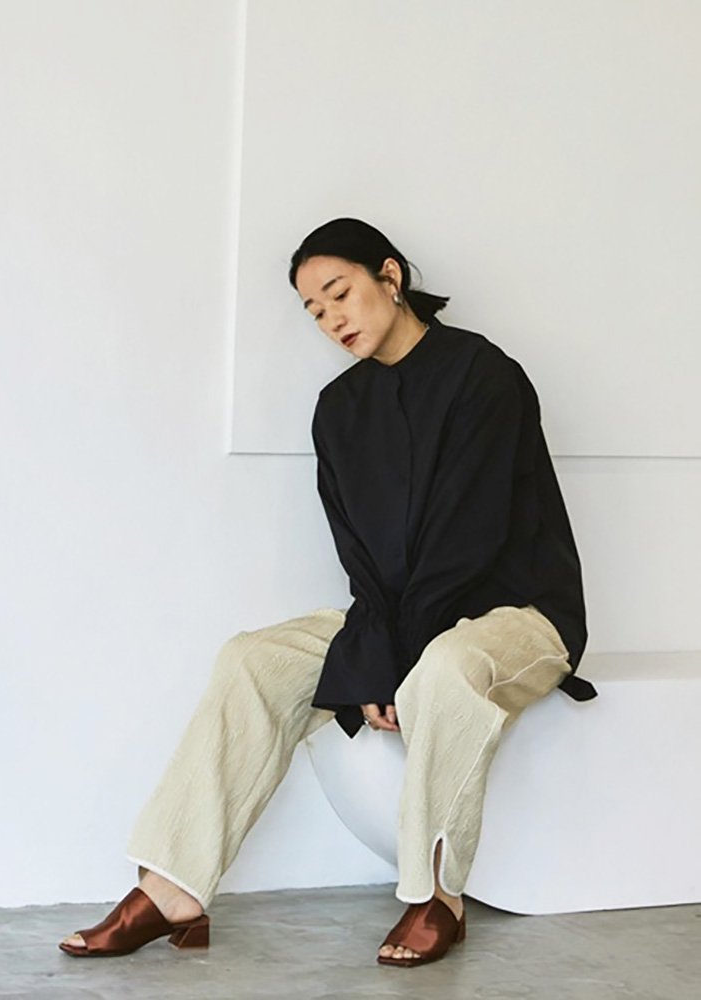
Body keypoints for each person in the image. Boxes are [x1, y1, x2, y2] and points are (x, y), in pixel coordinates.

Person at [59, 218, 595, 967]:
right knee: (254, 659)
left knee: (444, 670)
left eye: (339, 293)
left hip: (517, 611)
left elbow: (467, 537)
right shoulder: (339, 409)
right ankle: (171, 887)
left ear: (390, 277)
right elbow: (361, 555)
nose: (331, 319)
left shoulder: (484, 375)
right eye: (314, 310)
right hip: (402, 616)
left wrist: (395, 659)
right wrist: (374, 650)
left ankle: (436, 897)